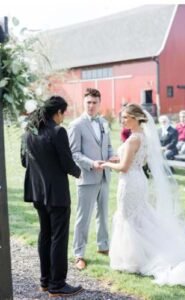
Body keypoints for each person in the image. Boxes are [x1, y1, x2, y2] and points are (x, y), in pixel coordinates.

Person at [101, 103, 185, 288]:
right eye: (122, 117)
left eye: (125, 117)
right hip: (139, 179)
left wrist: (106, 164)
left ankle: (132, 260)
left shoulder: (133, 139)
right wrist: (118, 159)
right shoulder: (143, 137)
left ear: (136, 118)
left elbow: (124, 167)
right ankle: (145, 252)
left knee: (129, 217)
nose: (122, 120)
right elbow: (138, 160)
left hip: (130, 182)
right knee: (140, 216)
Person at [21, 96, 83, 297]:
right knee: (58, 238)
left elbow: (24, 161)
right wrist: (80, 172)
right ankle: (57, 285)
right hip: (57, 194)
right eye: (63, 114)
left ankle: (45, 281)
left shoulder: (28, 131)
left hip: (38, 193)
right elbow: (67, 163)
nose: (63, 118)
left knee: (45, 235)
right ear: (58, 113)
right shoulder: (58, 132)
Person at [68, 88, 115, 270]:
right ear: (83, 103)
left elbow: (108, 146)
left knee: (103, 214)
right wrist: (91, 163)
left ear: (99, 103)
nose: (91, 105)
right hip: (87, 176)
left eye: (95, 102)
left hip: (104, 175)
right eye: (88, 102)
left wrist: (112, 157)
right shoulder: (76, 125)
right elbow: (74, 153)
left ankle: (103, 246)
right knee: (83, 217)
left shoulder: (103, 122)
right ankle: (78, 254)